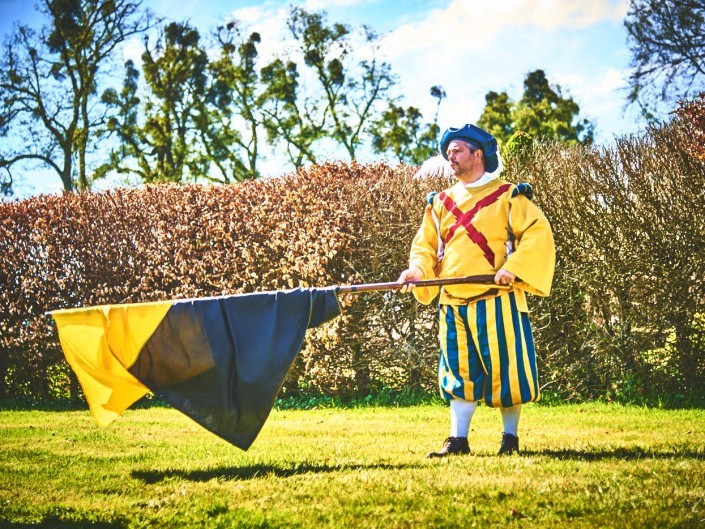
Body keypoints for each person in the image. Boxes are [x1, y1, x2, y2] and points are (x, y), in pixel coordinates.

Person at [397, 124, 555, 457]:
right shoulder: (440, 202)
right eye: (448, 152)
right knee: (458, 371)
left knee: (508, 371)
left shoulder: (510, 195)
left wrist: (513, 268)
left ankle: (509, 440)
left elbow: (537, 234)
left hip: (498, 299)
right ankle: (457, 441)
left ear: (477, 154)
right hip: (452, 301)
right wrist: (416, 269)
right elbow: (425, 246)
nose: (449, 157)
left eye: (456, 151)